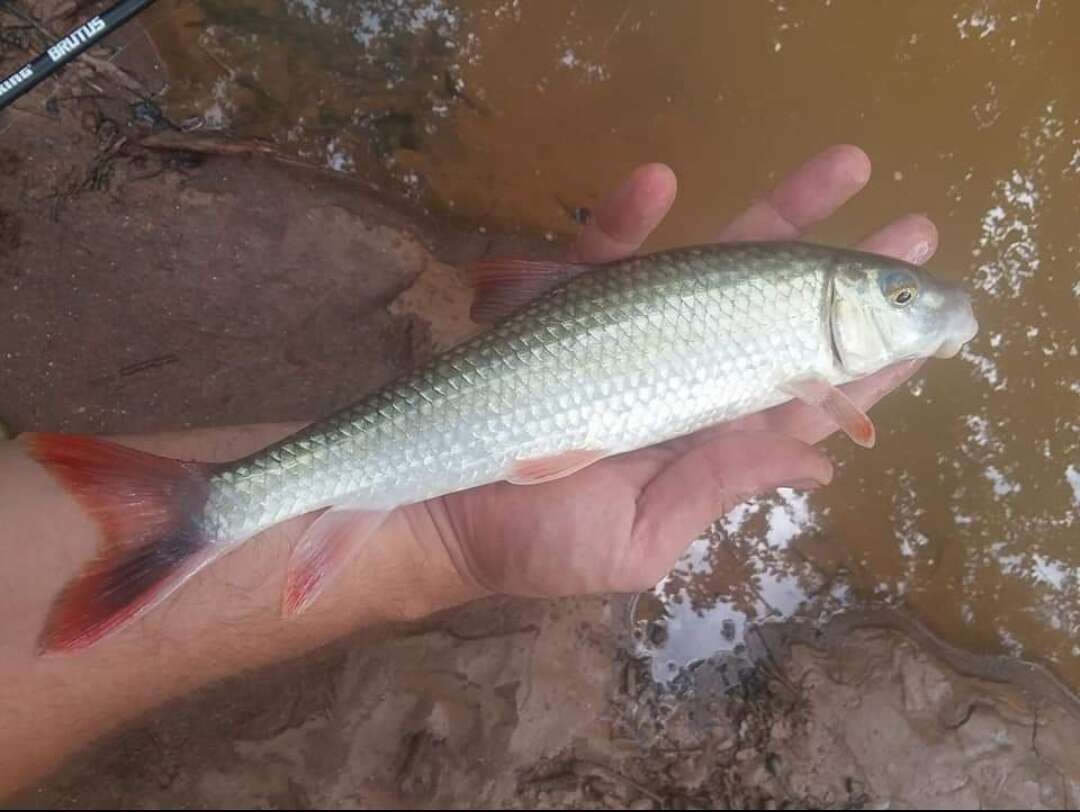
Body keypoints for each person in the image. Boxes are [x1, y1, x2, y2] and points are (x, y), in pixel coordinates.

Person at [0, 144, 935, 796]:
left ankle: (216, 508)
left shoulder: (809, 347)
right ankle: (211, 510)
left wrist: (443, 539)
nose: (914, 306)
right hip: (519, 391)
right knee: (279, 491)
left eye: (903, 297)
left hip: (509, 407)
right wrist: (439, 540)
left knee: (336, 471)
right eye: (900, 297)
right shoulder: (806, 338)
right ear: (843, 304)